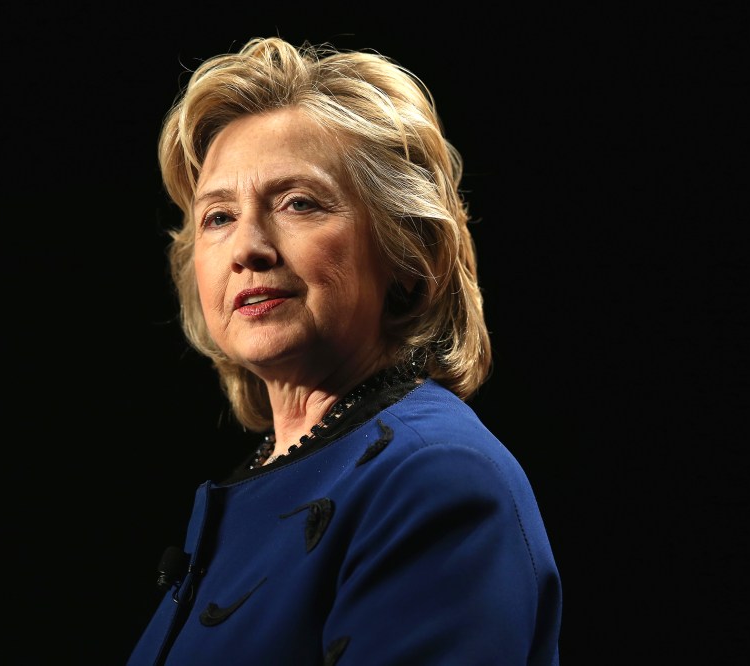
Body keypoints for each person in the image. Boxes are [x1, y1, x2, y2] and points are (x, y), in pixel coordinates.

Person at [127, 35, 562, 665]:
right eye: (218, 216)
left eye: (298, 203)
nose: (248, 246)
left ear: (406, 254)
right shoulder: (271, 478)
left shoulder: (436, 480)